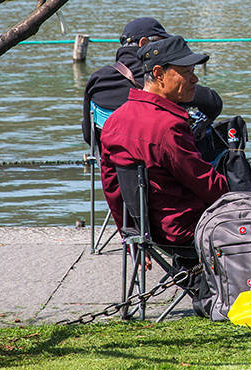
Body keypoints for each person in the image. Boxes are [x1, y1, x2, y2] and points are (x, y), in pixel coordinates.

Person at [98, 36, 228, 246]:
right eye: (187, 73)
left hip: (144, 232)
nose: (194, 80)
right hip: (184, 229)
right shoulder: (168, 126)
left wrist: (129, 235)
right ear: (158, 74)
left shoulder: (114, 121)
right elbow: (208, 185)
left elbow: (112, 189)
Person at [82, 17, 223, 151]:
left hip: (113, 162)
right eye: (162, 43)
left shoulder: (96, 79)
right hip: (156, 166)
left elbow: (89, 135)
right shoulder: (156, 80)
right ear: (143, 44)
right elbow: (212, 102)